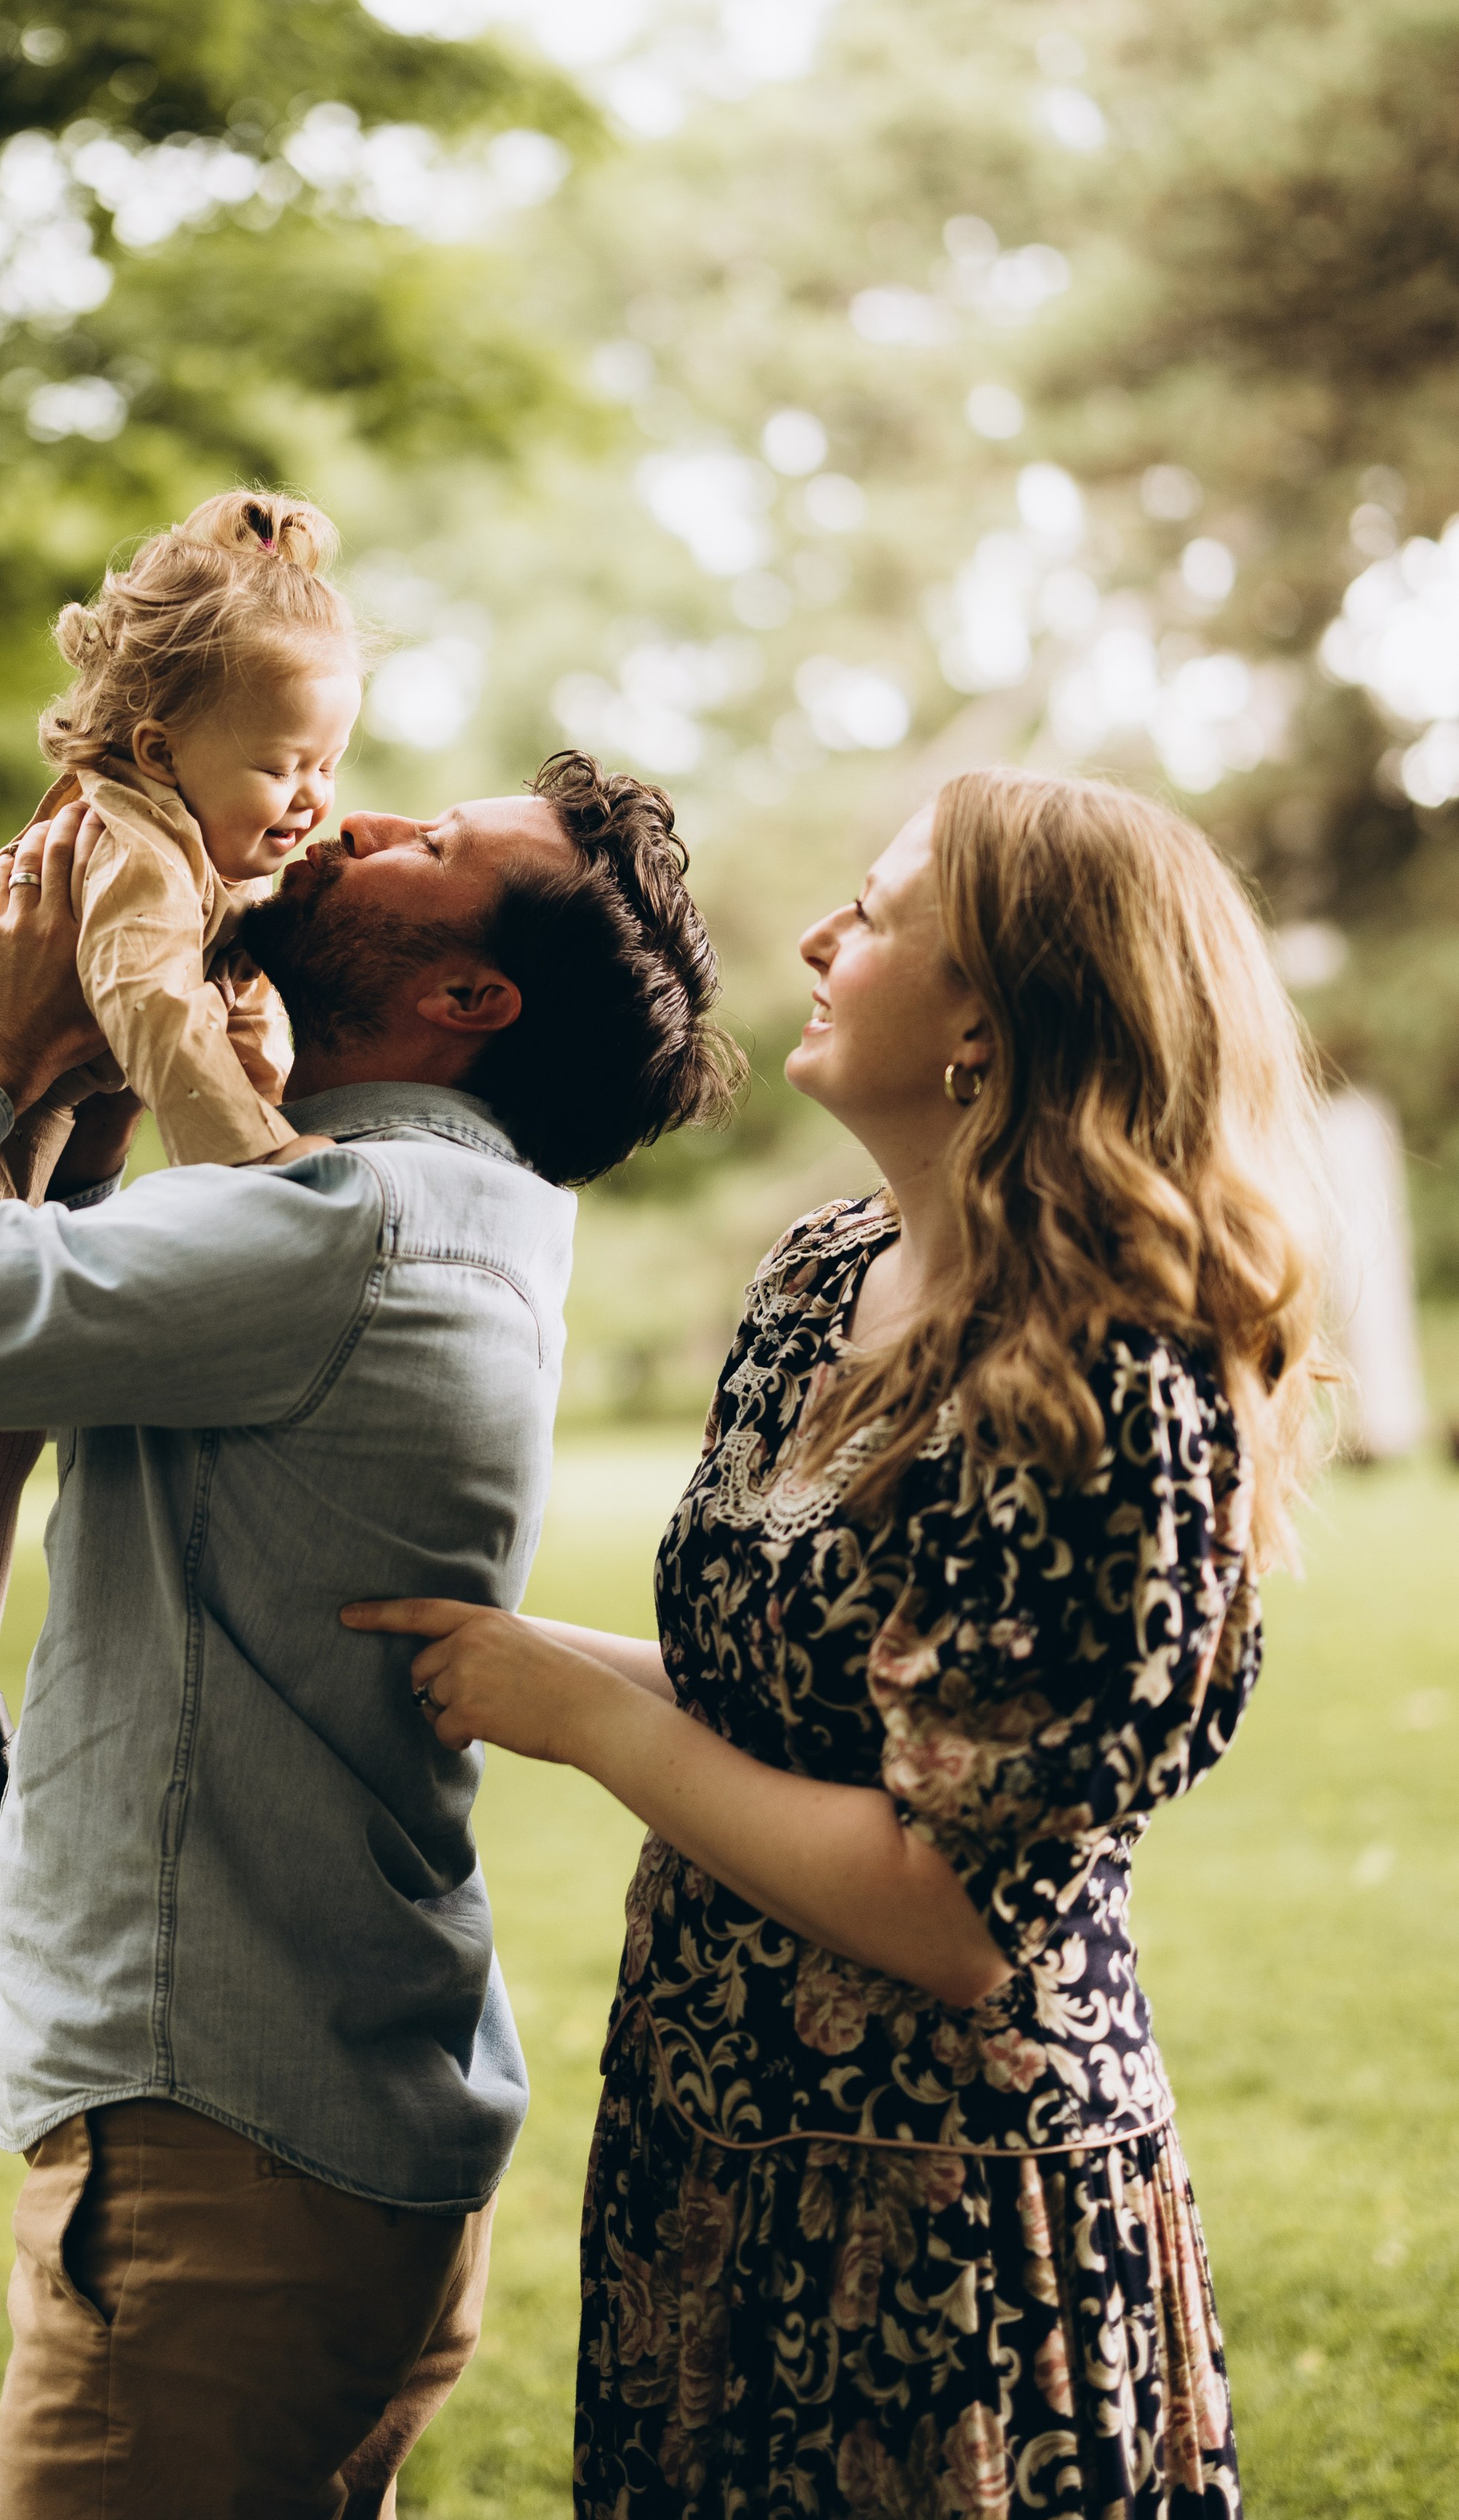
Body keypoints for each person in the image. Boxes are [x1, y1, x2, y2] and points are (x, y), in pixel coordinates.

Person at [0, 750, 740, 2520]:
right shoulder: (470, 1214)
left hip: (220, 2181)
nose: (364, 814)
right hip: (351, 2138)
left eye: (430, 845)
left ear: (464, 995)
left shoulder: (329, 1234)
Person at [346, 766, 1328, 2520]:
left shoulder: (1112, 1375)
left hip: (938, 2218)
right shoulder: (816, 1282)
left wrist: (578, 1717)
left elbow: (949, 1908)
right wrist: (489, 1653)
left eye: (870, 914)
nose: (810, 936)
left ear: (990, 1016)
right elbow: (784, 1717)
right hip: (704, 2146)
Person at [0, 488, 364, 1868]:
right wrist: (262, 1157)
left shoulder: (192, 839)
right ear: (163, 748)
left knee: (16, 1412)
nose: (314, 800)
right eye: (287, 767)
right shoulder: (136, 857)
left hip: (25, 1141)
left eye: (331, 764)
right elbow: (151, 1013)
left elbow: (217, 985)